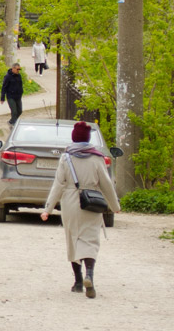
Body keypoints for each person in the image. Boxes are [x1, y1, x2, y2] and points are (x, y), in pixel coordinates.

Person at [41, 121, 121, 298]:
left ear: (73, 138)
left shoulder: (66, 157)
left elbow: (58, 184)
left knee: (73, 239)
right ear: (88, 138)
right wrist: (115, 206)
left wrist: (48, 209)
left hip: (70, 201)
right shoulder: (97, 158)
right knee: (90, 240)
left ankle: (78, 282)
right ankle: (89, 275)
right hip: (91, 201)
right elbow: (106, 184)